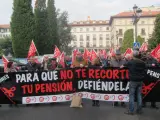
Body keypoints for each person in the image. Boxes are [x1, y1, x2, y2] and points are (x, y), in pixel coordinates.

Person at [121, 50, 146, 115]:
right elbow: (145, 70)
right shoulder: (143, 62)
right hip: (140, 81)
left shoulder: (131, 62)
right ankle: (139, 110)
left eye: (131, 54)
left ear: (133, 55)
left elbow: (123, 65)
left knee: (131, 96)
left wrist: (122, 66)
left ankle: (131, 111)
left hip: (133, 81)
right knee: (139, 95)